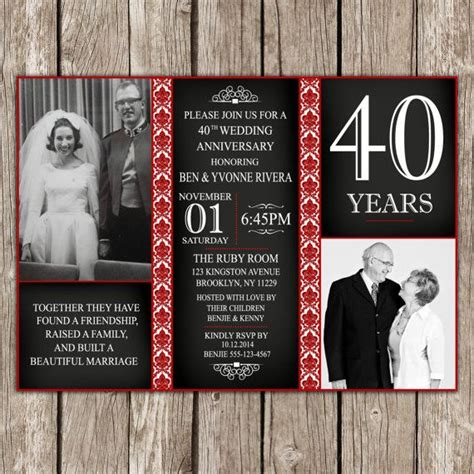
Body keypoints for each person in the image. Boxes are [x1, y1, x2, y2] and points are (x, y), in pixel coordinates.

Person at [20, 112, 101, 280]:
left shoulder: (88, 170)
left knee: (83, 277)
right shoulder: (44, 170)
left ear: (76, 139)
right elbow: (34, 208)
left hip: (81, 232)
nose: (64, 143)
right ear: (52, 141)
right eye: (59, 138)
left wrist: (102, 239)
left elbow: (96, 208)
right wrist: (26, 243)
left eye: (69, 138)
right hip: (49, 232)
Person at [324, 242, 404, 389]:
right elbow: (332, 336)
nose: (389, 270)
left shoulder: (394, 289)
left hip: (387, 376)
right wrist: (337, 376)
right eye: (387, 264)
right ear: (372, 261)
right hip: (355, 375)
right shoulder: (341, 289)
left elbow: (405, 321)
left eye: (391, 265)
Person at [99, 80, 151, 263]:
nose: (126, 106)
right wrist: (103, 235)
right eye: (121, 103)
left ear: (142, 104)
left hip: (152, 223)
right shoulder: (109, 143)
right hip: (119, 223)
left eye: (131, 101)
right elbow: (104, 193)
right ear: (116, 107)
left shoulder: (162, 138)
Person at [388, 269, 444, 389]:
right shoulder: (397, 314)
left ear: (418, 289)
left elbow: (437, 372)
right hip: (390, 386)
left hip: (416, 388)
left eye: (409, 280)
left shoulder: (432, 322)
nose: (402, 282)